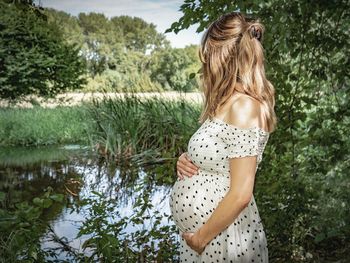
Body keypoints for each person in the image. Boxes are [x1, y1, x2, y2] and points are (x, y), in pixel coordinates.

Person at [169, 11, 277, 262]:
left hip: (222, 239)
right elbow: (218, 159)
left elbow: (241, 193)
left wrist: (201, 238)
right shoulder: (225, 103)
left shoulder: (245, 107)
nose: (205, 63)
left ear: (222, 55)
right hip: (206, 240)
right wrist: (187, 160)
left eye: (208, 55)